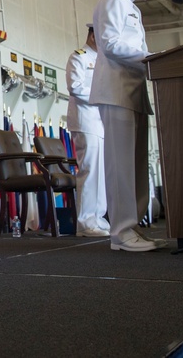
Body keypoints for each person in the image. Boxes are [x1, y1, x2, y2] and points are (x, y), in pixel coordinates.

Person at [89, 0, 167, 252]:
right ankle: (120, 232)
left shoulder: (131, 8)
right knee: (121, 164)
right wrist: (151, 58)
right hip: (117, 90)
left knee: (135, 164)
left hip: (132, 91)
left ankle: (132, 226)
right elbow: (109, 44)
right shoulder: (113, 0)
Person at [66, 24, 109, 238]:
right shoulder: (79, 57)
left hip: (100, 122)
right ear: (92, 35)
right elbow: (75, 86)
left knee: (101, 172)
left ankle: (98, 218)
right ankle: (85, 222)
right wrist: (102, 94)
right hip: (85, 121)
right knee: (90, 170)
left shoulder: (105, 61)